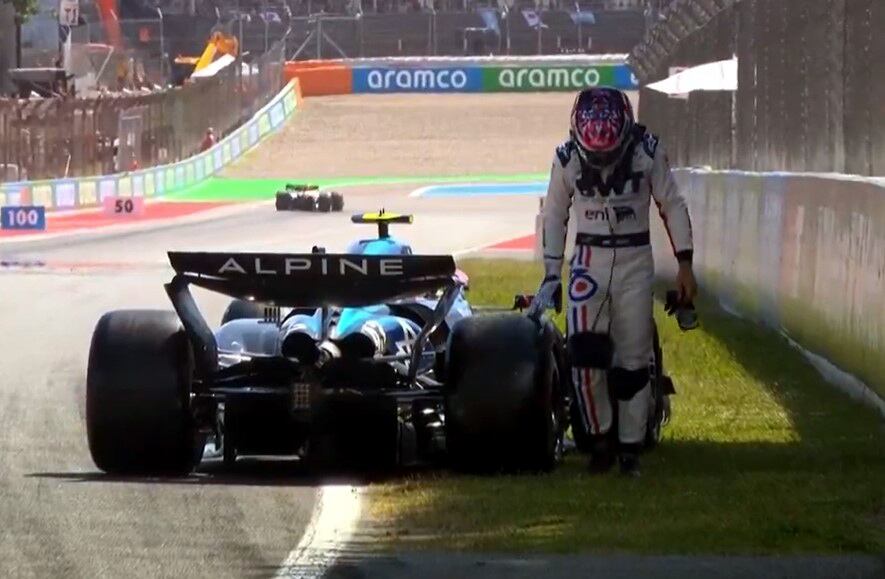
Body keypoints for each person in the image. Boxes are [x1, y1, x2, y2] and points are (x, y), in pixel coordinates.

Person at [535, 87, 697, 477]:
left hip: (634, 260)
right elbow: (554, 215)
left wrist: (685, 263)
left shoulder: (647, 149)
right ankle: (600, 440)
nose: (603, 161)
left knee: (633, 358)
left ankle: (630, 447)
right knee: (584, 355)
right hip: (588, 260)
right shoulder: (566, 157)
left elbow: (672, 203)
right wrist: (551, 274)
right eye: (596, 153)